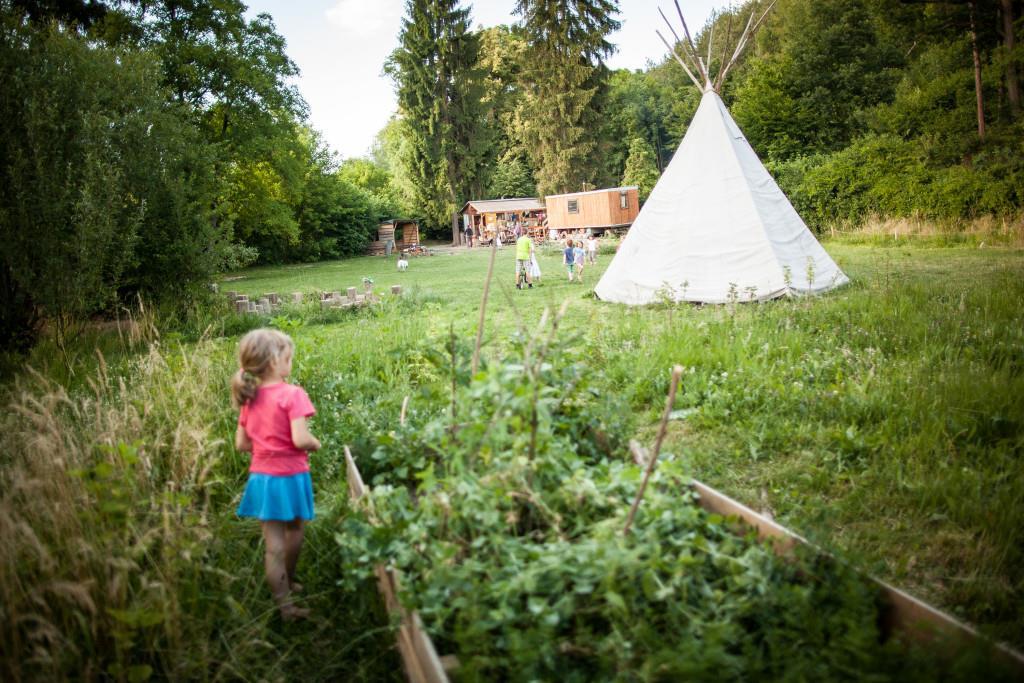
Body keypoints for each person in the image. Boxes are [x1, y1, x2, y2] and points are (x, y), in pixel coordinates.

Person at [232, 329, 320, 621]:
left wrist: (266, 445)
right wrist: (315, 443)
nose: (290, 364)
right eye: (288, 359)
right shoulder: (292, 394)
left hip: (263, 479)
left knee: (273, 547)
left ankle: (284, 603)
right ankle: (290, 581)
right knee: (295, 529)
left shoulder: (250, 399)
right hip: (292, 476)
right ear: (274, 362)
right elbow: (300, 439)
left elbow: (242, 444)